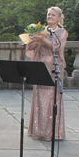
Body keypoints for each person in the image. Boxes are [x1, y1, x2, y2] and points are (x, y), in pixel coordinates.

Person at [26, 7, 68, 141]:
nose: (50, 16)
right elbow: (30, 47)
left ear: (59, 18)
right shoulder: (41, 30)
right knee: (39, 95)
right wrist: (33, 39)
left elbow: (57, 47)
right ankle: (39, 130)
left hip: (54, 67)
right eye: (48, 14)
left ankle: (54, 131)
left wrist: (43, 40)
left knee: (52, 97)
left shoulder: (62, 32)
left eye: (53, 15)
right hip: (40, 65)